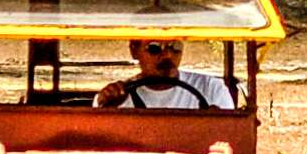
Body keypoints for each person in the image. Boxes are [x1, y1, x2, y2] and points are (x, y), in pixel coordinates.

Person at [96, 37, 236, 110]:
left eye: (175, 47)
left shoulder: (211, 89)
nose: (168, 55)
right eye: (154, 47)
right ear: (134, 50)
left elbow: (230, 137)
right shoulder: (115, 98)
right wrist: (109, 107)